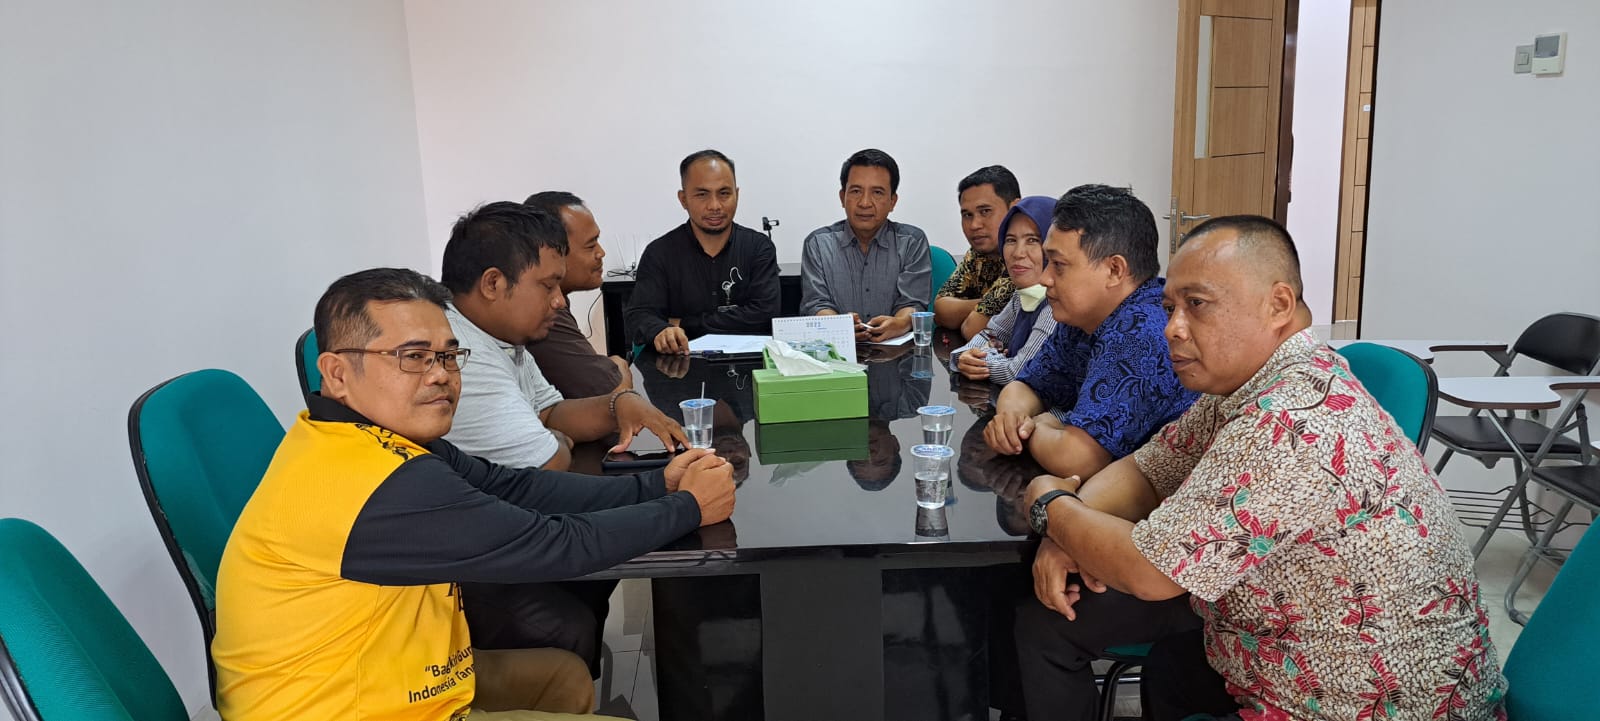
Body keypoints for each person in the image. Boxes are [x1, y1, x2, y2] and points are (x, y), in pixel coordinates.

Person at [1022, 216, 1507, 720]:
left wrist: (1050, 505)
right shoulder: (1249, 382)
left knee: (1061, 623)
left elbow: (1151, 571)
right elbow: (1148, 470)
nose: (1173, 328)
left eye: (1197, 304)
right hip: (1281, 650)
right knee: (1166, 664)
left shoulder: (1292, 419)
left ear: (1278, 304)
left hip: (1372, 704)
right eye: (1170, 308)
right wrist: (1067, 530)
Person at [212, 267, 737, 721]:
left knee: (562, 678)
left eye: (448, 355)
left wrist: (659, 483)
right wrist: (689, 507)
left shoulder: (377, 439)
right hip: (339, 709)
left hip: (392, 674)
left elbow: (517, 485)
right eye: (414, 357)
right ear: (337, 373)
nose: (440, 376)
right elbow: (554, 543)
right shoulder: (371, 482)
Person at [440, 202, 688, 474]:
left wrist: (618, 404)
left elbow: (550, 412)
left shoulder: (503, 335)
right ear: (492, 284)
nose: (559, 301)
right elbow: (549, 462)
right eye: (548, 286)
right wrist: (556, 439)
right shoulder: (460, 356)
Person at [984, 185, 1198, 482]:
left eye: (1058, 265)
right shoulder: (1082, 317)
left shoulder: (1140, 332)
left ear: (1114, 270)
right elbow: (1026, 385)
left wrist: (1035, 427)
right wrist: (1011, 419)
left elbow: (1076, 459)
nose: (1045, 278)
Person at [626, 149, 781, 354]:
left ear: (737, 194)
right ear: (683, 199)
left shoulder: (759, 248)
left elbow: (764, 314)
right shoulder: (659, 253)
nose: (715, 206)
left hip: (747, 362)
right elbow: (639, 315)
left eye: (724, 193)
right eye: (702, 194)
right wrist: (662, 330)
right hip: (678, 362)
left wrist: (684, 324)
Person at [799, 148, 931, 343]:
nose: (865, 203)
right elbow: (815, 304)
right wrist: (838, 326)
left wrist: (899, 323)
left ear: (892, 201)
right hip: (837, 353)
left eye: (877, 192)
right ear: (842, 197)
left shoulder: (912, 242)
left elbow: (912, 302)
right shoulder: (818, 244)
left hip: (897, 355)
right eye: (856, 191)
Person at [522, 191, 632, 399]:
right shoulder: (543, 312)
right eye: (590, 245)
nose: (601, 253)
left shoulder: (556, 300)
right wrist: (620, 369)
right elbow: (614, 396)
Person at [949, 195, 1059, 385]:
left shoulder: (1056, 305)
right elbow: (989, 334)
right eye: (1010, 240)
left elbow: (1017, 372)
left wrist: (982, 360)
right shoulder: (1022, 295)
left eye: (1032, 240)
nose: (1017, 253)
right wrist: (963, 356)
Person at [933, 165, 1021, 337]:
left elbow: (972, 327)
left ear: (1014, 209)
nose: (974, 225)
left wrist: (972, 311)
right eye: (967, 215)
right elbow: (941, 310)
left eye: (985, 211)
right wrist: (987, 304)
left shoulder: (1023, 257)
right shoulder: (978, 253)